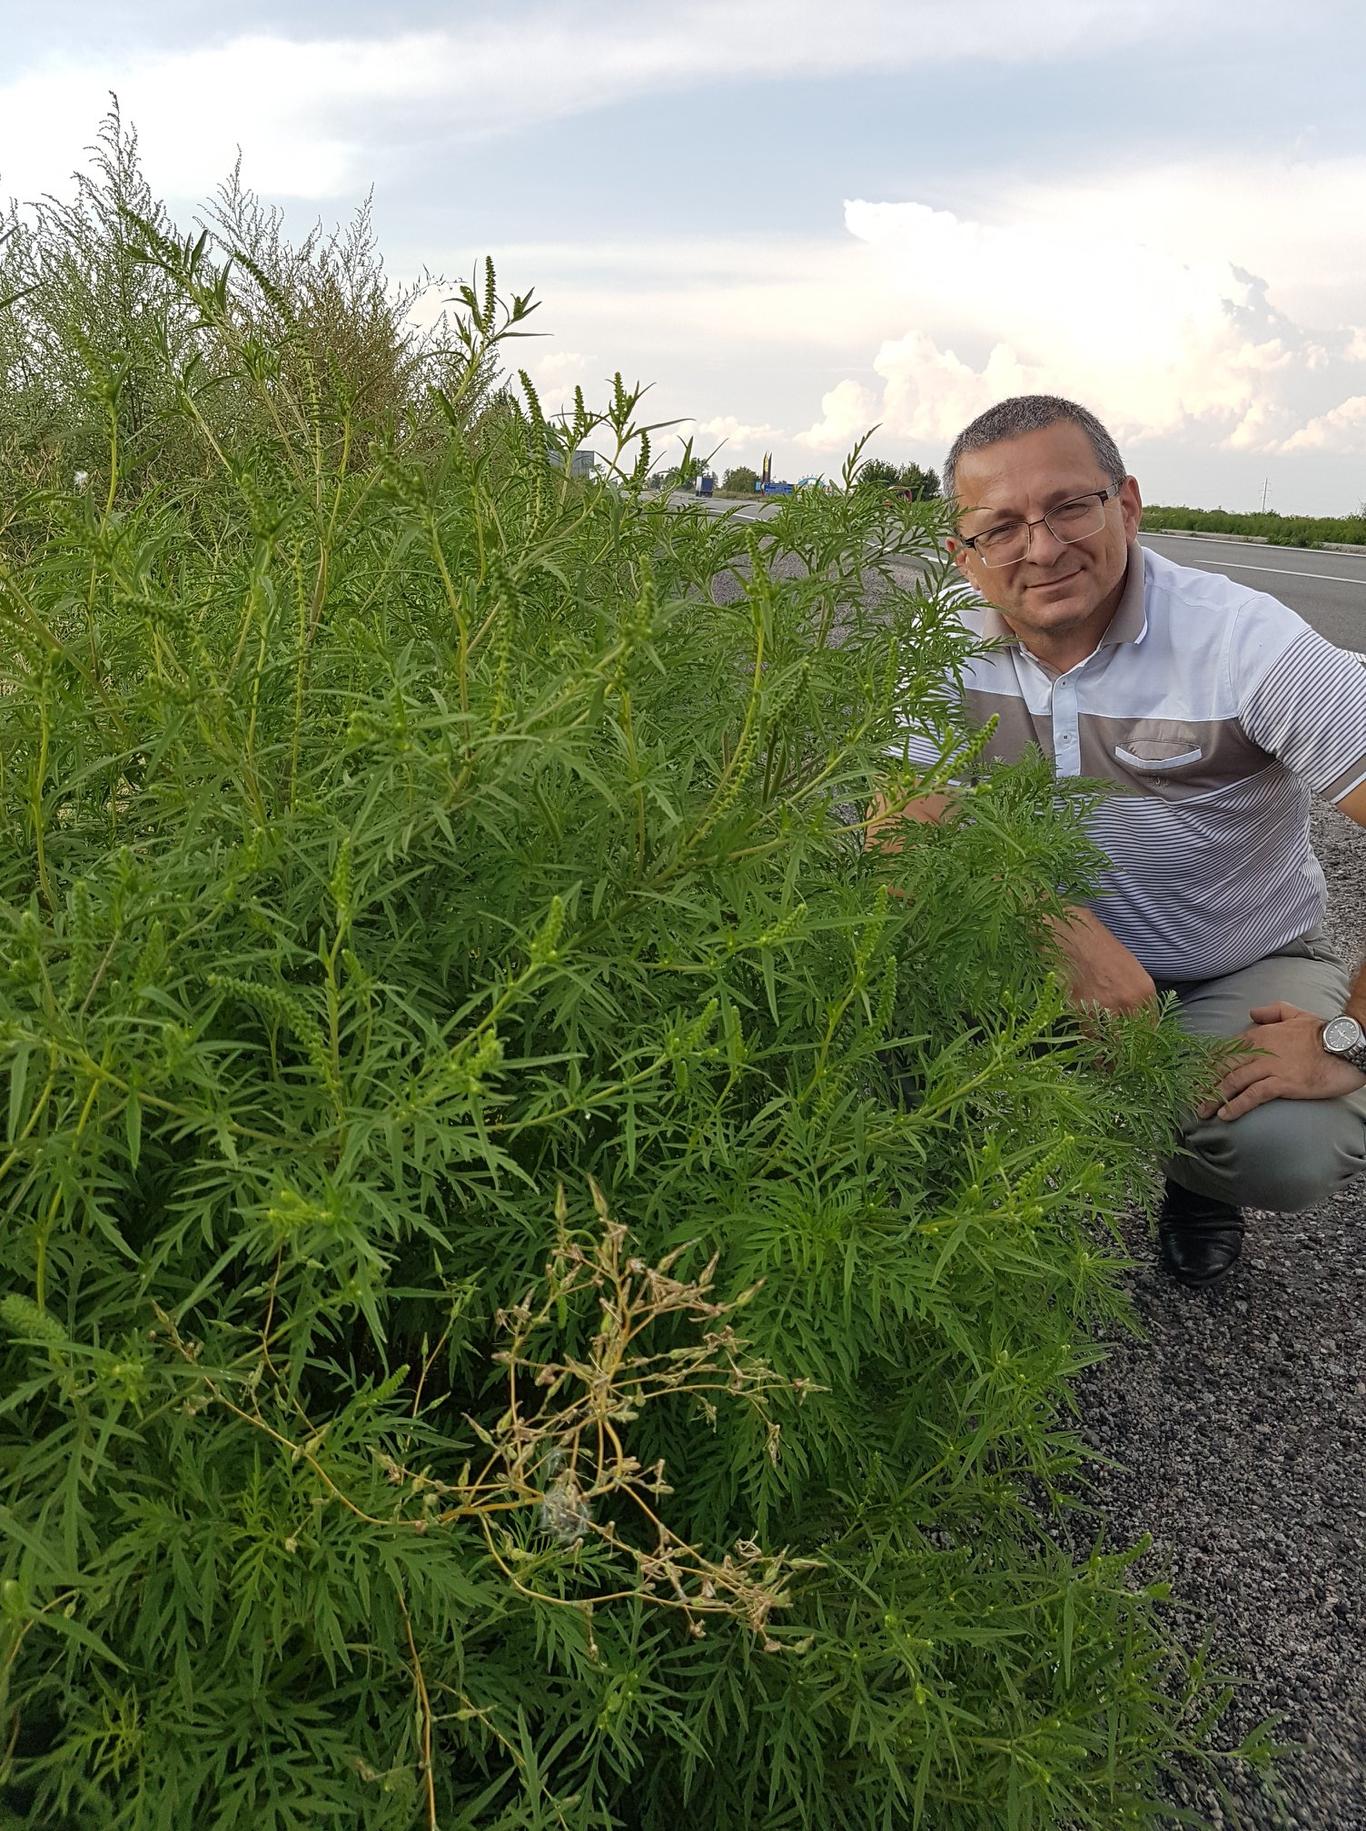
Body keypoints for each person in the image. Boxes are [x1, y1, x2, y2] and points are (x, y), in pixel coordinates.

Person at [869, 395, 1366, 1289]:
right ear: (964, 555)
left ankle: (1198, 1174)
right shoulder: (939, 640)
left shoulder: (1242, 639)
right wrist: (1046, 920)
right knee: (873, 1029)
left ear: (1126, 504)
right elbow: (899, 832)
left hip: (1234, 966)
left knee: (1287, 1143)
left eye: (1070, 505)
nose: (1044, 547)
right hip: (1031, 953)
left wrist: (1348, 1037)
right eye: (1001, 526)